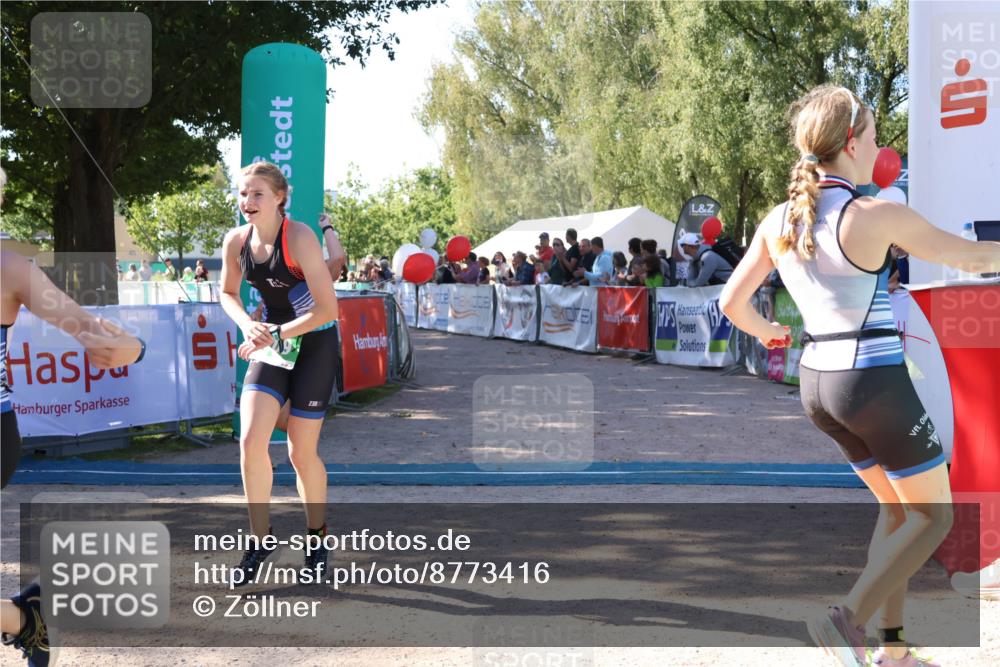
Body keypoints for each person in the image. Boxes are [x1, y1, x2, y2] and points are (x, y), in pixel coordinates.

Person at [720, 85, 1000, 667]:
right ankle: (844, 619)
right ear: (850, 144)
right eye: (873, 138)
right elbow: (970, 258)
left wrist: (769, 332)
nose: (880, 149)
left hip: (817, 387)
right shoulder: (873, 215)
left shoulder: (779, 219)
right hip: (872, 383)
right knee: (935, 516)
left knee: (898, 510)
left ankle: (893, 652)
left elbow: (731, 303)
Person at [1, 166, 145, 667]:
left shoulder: (10, 268)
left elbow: (88, 328)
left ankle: (27, 619)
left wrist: (134, 347)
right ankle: (24, 619)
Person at [219, 161, 339, 587]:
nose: (247, 201)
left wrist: (274, 333)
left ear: (279, 198)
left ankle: (316, 537)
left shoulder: (299, 236)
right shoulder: (236, 241)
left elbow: (328, 309)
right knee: (250, 440)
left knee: (300, 453)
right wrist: (247, 326)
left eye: (257, 194)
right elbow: (227, 292)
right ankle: (260, 539)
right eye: (243, 193)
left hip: (314, 342)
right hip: (271, 342)